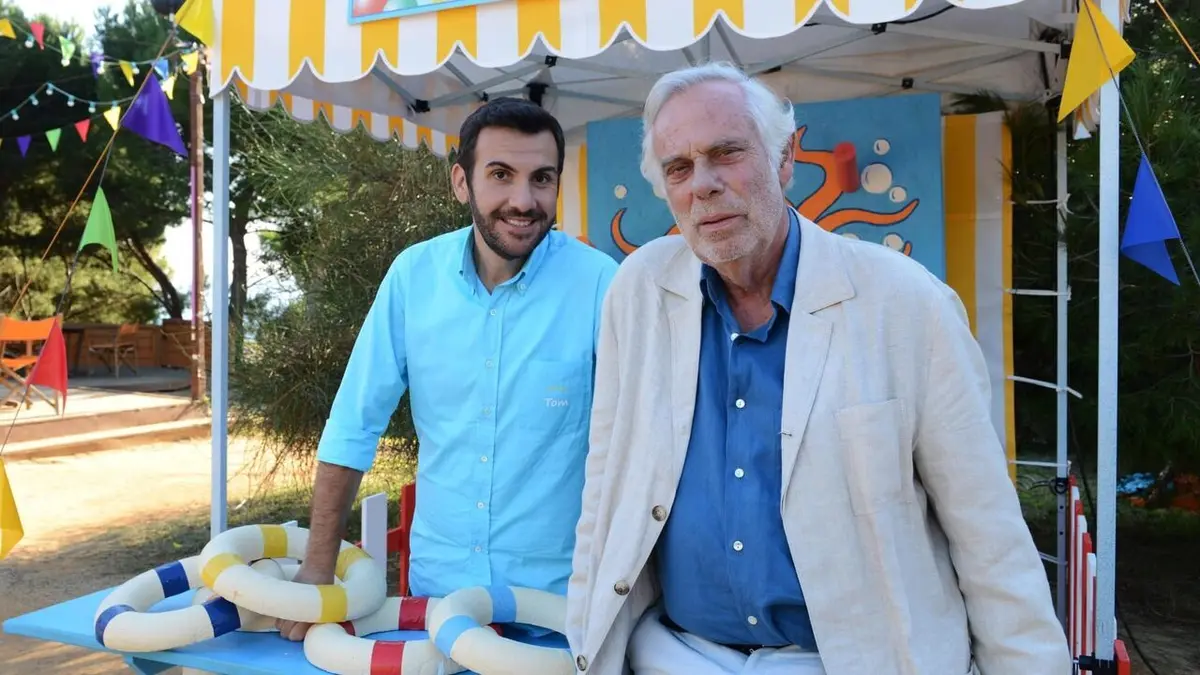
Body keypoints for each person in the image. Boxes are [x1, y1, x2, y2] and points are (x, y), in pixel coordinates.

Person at [565, 63, 1070, 675]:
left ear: (785, 159)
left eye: (726, 153)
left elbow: (986, 531)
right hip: (674, 652)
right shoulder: (639, 290)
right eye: (679, 168)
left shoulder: (908, 304)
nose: (703, 185)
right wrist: (584, 633)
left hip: (850, 662)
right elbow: (606, 486)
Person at [278, 97, 619, 641]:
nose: (523, 200)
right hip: (437, 602)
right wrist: (318, 566)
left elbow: (641, 445)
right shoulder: (412, 277)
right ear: (461, 182)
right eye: (501, 175)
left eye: (542, 178)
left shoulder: (603, 284)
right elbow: (354, 423)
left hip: (559, 611)